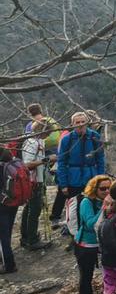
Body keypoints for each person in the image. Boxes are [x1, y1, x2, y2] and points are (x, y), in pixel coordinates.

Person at [57, 112, 106, 228]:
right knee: (75, 209)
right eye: (77, 122)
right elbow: (62, 162)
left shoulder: (94, 137)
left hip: (91, 178)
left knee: (92, 206)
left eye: (83, 122)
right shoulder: (67, 140)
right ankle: (76, 235)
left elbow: (100, 159)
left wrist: (100, 179)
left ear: (87, 122)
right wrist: (63, 184)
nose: (80, 125)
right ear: (72, 124)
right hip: (73, 179)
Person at [19, 119, 55, 250]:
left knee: (30, 208)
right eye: (48, 132)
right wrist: (46, 160)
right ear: (42, 130)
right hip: (32, 182)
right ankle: (31, 240)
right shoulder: (31, 142)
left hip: (37, 180)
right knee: (34, 210)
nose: (49, 135)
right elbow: (27, 165)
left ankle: (26, 236)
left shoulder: (39, 141)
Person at [75, 174, 111, 294]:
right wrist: (104, 208)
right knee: (86, 276)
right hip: (86, 245)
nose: (106, 191)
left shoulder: (109, 200)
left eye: (109, 188)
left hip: (102, 242)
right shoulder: (86, 202)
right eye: (102, 188)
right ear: (94, 189)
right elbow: (91, 224)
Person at [0, 149, 18, 274]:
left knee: (3, 237)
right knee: (7, 232)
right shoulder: (12, 164)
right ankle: (6, 258)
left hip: (2, 204)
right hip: (13, 202)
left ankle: (9, 265)